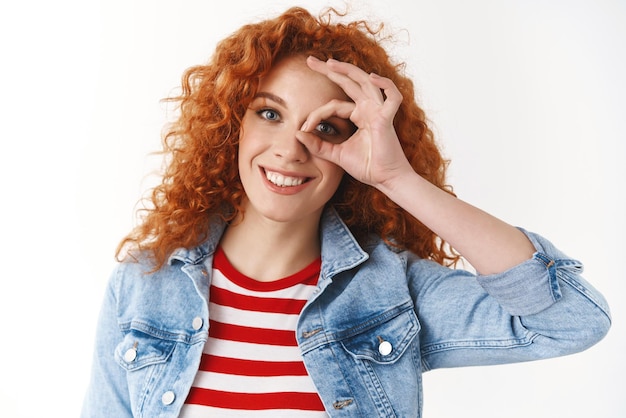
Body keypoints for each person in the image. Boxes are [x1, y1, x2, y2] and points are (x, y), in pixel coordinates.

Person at [81, 6, 611, 418]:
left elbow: (571, 321)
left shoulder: (390, 293)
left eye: (326, 129)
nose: (291, 149)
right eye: (270, 113)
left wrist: (399, 178)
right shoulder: (144, 282)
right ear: (230, 127)